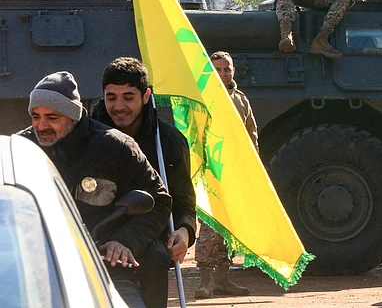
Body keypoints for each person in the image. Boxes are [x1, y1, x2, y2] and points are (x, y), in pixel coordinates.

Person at [19, 71, 172, 308]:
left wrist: (124, 241)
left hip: (106, 267)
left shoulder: (116, 147)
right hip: (37, 267)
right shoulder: (22, 149)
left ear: (73, 117)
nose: (42, 125)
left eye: (52, 117)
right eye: (35, 116)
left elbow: (158, 201)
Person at [91, 57, 196, 308]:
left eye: (128, 97)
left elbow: (183, 199)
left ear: (146, 96)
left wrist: (185, 230)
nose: (119, 106)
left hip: (150, 237)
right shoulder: (89, 136)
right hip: (98, 234)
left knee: (156, 258)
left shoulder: (167, 141)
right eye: (111, 97)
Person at [192, 51, 259, 299]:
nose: (223, 73)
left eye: (227, 69)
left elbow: (251, 135)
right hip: (210, 172)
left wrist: (252, 169)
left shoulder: (241, 100)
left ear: (233, 71)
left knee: (230, 229)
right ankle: (206, 281)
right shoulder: (201, 99)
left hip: (234, 173)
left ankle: (222, 279)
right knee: (209, 229)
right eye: (218, 69)